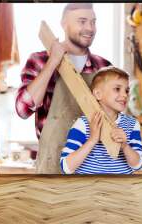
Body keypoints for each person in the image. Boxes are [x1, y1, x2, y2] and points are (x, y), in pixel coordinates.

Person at [15, 3, 111, 140]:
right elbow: (22, 110)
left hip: (92, 158)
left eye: (93, 22)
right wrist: (53, 61)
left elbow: (113, 120)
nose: (90, 28)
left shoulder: (104, 67)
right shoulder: (39, 60)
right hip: (51, 158)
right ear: (64, 24)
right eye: (82, 21)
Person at [60, 66, 142, 174]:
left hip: (120, 190)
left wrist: (124, 146)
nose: (124, 95)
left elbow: (138, 165)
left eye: (127, 90)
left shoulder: (132, 124)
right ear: (98, 94)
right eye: (117, 89)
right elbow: (66, 168)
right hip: (88, 190)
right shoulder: (82, 124)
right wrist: (92, 140)